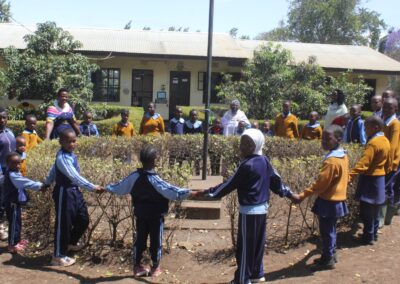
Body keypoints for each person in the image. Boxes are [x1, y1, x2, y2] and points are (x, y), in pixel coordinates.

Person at [195, 129, 298, 283]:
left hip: (249, 213)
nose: (241, 147)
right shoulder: (265, 161)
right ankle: (257, 274)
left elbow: (229, 185)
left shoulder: (246, 165)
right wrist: (290, 194)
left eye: (247, 144)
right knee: (257, 244)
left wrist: (208, 193)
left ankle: (242, 279)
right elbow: (277, 183)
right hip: (262, 211)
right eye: (242, 142)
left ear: (256, 145)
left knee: (245, 249)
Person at [105, 145, 192, 278]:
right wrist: (191, 193)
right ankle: (155, 267)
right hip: (156, 216)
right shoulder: (155, 180)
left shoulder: (134, 176)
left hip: (140, 214)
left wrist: (106, 188)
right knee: (156, 241)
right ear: (154, 161)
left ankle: (137, 266)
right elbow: (173, 192)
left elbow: (120, 187)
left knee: (139, 240)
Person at [44, 128, 103, 266]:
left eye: (74, 141)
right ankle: (58, 256)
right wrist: (92, 187)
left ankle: (70, 243)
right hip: (65, 192)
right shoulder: (62, 158)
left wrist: (47, 182)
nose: (72, 144)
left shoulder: (69, 155)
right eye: (68, 142)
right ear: (61, 142)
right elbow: (74, 176)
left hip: (74, 191)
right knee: (64, 224)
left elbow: (53, 171)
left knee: (83, 219)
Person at [295, 125, 349, 270]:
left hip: (329, 201)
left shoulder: (331, 161)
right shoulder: (342, 155)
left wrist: (303, 194)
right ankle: (330, 254)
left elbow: (320, 184)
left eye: (328, 139)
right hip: (337, 200)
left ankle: (328, 260)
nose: (323, 141)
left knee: (327, 231)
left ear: (338, 139)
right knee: (331, 229)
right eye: (323, 138)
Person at [350, 116, 390, 245]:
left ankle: (368, 237)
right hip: (380, 178)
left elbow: (363, 163)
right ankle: (373, 234)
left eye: (367, 126)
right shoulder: (385, 140)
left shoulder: (373, 143)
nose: (365, 129)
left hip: (370, 179)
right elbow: (387, 161)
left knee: (367, 209)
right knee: (376, 209)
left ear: (376, 127)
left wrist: (350, 175)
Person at [3, 152, 45, 253]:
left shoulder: (12, 172)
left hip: (15, 202)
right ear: (8, 163)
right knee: (14, 223)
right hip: (12, 203)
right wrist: (40, 186)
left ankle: (16, 241)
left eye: (19, 163)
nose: (18, 165)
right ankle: (12, 245)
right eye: (14, 163)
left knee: (17, 222)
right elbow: (26, 183)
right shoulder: (12, 174)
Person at [380, 98, 400, 226]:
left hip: (391, 162)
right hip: (384, 161)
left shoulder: (395, 123)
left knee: (387, 188)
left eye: (390, 107)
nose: (386, 109)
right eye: (385, 107)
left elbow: (392, 146)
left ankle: (385, 217)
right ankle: (386, 216)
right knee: (387, 187)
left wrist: (389, 163)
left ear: (395, 109)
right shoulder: (384, 121)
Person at [0, 107, 16, 241]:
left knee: (8, 200)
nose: (2, 120)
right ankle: (0, 228)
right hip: (1, 172)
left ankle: (5, 225)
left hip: (11, 172)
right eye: (0, 117)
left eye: (4, 117)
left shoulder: (9, 132)